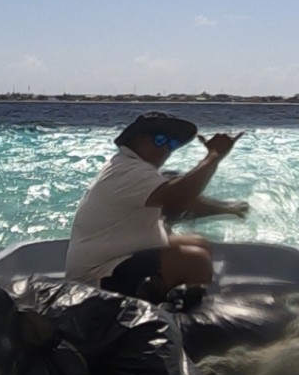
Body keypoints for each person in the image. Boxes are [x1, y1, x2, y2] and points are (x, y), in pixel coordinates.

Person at [65, 112, 246, 298]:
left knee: (199, 244)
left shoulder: (128, 166)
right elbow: (178, 199)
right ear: (138, 139)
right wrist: (213, 157)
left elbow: (185, 201)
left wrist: (228, 209)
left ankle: (175, 300)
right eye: (160, 140)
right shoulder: (129, 171)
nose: (165, 150)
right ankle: (188, 319)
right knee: (195, 261)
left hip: (118, 257)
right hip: (97, 276)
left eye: (172, 144)